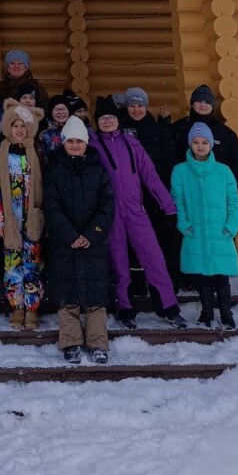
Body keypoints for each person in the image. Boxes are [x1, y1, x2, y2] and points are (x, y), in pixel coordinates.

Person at [91, 95, 187, 330]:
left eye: (111, 117)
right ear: (97, 122)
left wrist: (168, 205)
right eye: (102, 119)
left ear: (118, 119)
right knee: (119, 262)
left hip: (136, 211)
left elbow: (150, 177)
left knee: (154, 258)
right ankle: (126, 310)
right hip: (111, 214)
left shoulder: (132, 144)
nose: (107, 122)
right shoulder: (92, 146)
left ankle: (169, 307)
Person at [44, 116, 115, 364]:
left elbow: (107, 206)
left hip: (93, 243)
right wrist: (71, 235)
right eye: (70, 141)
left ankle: (98, 343)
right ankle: (71, 342)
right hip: (65, 243)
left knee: (96, 296)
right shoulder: (54, 170)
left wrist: (91, 234)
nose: (75, 145)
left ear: (86, 143)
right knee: (68, 296)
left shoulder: (98, 170)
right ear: (63, 143)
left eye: (79, 141)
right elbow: (51, 206)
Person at [171, 122, 238, 330]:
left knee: (221, 276)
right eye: (196, 142)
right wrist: (184, 224)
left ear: (211, 144)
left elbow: (233, 202)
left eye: (204, 142)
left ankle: (226, 314)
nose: (200, 146)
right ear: (190, 144)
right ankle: (206, 313)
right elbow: (178, 202)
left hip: (220, 232)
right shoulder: (180, 171)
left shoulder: (224, 171)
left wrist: (231, 227)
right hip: (195, 232)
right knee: (202, 276)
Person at [0, 99, 46, 330]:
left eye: (24, 126)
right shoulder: (1, 154)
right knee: (12, 265)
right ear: (9, 127)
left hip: (31, 218)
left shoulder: (36, 152)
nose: (20, 130)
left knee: (32, 264)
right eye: (16, 126)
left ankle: (32, 309)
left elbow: (44, 185)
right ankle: (17, 307)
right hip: (11, 220)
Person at [121, 86, 181, 298]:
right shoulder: (120, 130)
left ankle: (167, 284)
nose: (136, 109)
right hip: (130, 196)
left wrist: (166, 194)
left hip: (155, 196)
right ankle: (137, 284)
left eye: (140, 105)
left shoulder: (157, 129)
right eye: (132, 105)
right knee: (133, 242)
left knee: (162, 240)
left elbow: (170, 161)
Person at [171, 85, 238, 187]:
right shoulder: (178, 129)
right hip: (186, 189)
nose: (203, 105)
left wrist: (227, 188)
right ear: (192, 104)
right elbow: (167, 158)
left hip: (216, 190)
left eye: (207, 102)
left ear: (212, 105)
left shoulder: (226, 133)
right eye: (199, 101)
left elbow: (237, 164)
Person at [39, 94, 71, 167]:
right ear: (51, 112)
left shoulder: (76, 129)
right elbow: (44, 160)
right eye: (56, 109)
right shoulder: (45, 134)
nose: (60, 112)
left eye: (63, 109)